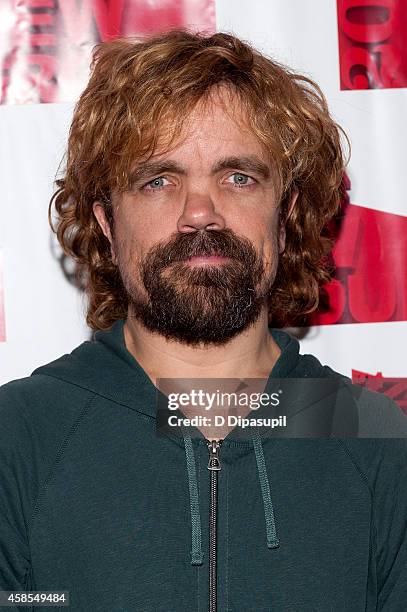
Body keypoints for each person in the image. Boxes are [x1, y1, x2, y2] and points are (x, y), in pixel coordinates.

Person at [1, 30, 406, 612]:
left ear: (286, 214)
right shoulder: (21, 436)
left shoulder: (371, 437)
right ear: (109, 225)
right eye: (158, 180)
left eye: (238, 176)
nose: (200, 213)